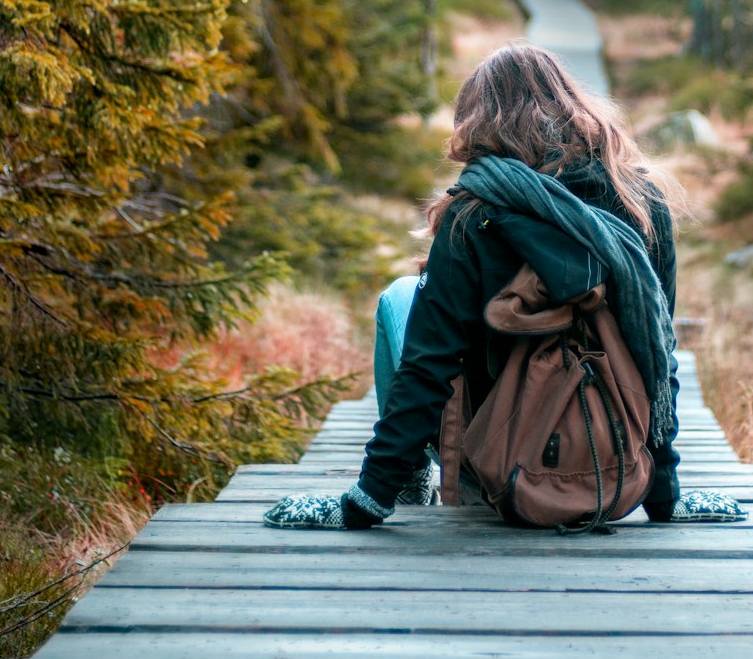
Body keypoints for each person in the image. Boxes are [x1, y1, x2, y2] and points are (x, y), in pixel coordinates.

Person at [262, 42, 690, 532]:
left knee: (402, 297)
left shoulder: (477, 212)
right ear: (576, 107)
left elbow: (429, 363)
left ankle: (410, 480)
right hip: (613, 461)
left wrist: (367, 501)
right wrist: (663, 496)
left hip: (499, 459)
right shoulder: (641, 200)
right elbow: (656, 353)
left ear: (479, 123)